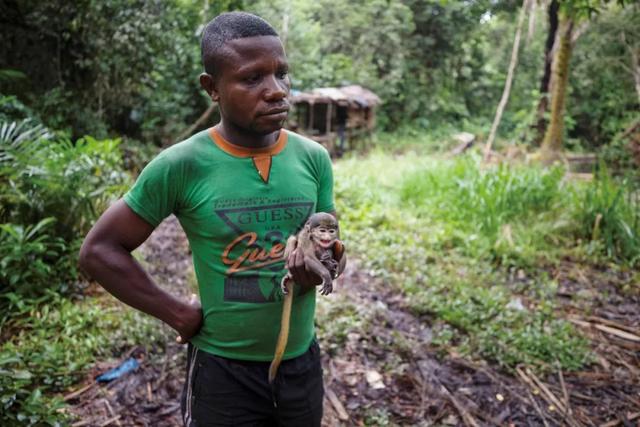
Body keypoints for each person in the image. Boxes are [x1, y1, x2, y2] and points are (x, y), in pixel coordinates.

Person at [79, 11, 344, 427]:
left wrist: (321, 268)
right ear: (212, 88)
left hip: (301, 365)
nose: (276, 91)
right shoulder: (181, 164)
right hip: (222, 372)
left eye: (281, 74)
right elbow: (99, 251)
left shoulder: (312, 159)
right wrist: (176, 312)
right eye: (252, 78)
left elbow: (330, 249)